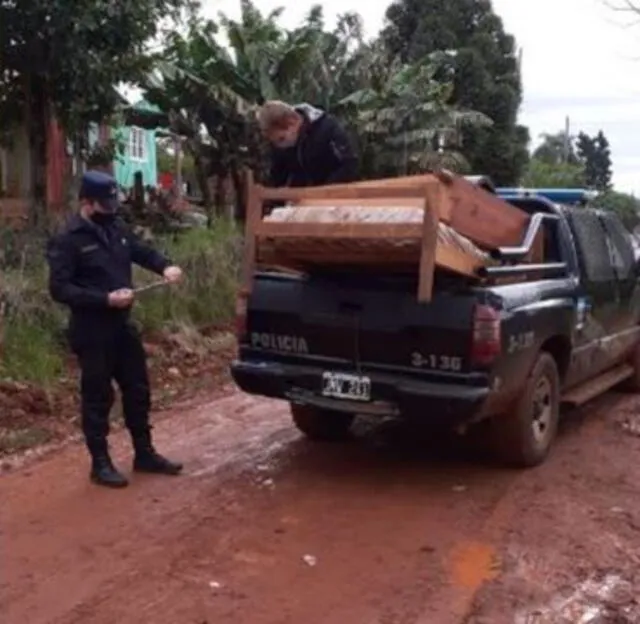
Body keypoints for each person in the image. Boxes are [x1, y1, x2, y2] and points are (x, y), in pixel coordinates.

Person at [46, 170, 184, 488]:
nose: (112, 210)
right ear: (86, 202)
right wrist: (104, 299)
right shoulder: (68, 239)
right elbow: (60, 289)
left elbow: (140, 251)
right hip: (91, 329)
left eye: (113, 203)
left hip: (122, 326)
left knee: (138, 389)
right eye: (105, 205)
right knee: (98, 397)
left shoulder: (117, 228)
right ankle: (100, 463)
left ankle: (144, 454)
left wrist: (165, 265)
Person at [257, 100, 358, 188]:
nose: (280, 146)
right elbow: (278, 177)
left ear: (292, 122)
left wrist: (325, 191)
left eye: (281, 139)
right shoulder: (281, 147)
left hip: (335, 196)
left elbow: (348, 164)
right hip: (300, 201)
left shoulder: (328, 129)